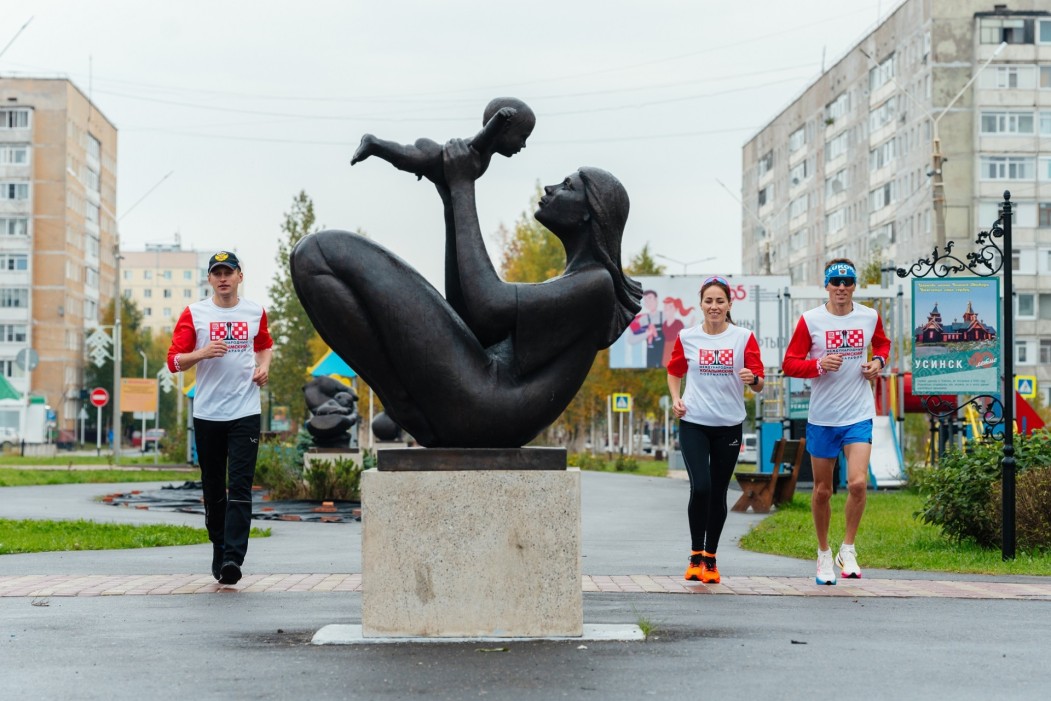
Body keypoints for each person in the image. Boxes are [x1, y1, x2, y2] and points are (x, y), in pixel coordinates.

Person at [290, 138, 642, 448]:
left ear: (588, 214)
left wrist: (463, 186)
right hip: (481, 398)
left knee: (318, 253)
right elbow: (472, 320)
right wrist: (450, 198)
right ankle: (404, 402)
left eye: (567, 186)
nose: (551, 188)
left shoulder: (596, 284)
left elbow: (488, 305)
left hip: (487, 404)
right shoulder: (576, 281)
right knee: (311, 256)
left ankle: (402, 402)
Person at [167, 251, 273, 585]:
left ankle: (233, 558)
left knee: (240, 485)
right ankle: (219, 545)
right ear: (210, 279)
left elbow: (265, 345)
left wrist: (264, 367)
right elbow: (174, 362)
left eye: (229, 272)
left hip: (245, 411)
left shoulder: (255, 311)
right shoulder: (195, 314)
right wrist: (201, 353)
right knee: (214, 487)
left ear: (240, 276)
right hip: (209, 413)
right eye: (217, 273)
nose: (223, 278)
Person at [782, 258, 890, 585]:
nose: (841, 288)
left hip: (858, 413)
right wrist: (818, 364)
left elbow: (882, 343)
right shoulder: (810, 320)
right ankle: (823, 553)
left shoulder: (869, 316)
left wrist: (878, 361)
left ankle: (849, 548)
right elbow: (789, 363)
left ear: (854, 285)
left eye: (847, 282)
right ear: (826, 285)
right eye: (835, 282)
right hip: (823, 417)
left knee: (857, 483)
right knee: (822, 491)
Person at [666, 275, 764, 584]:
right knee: (703, 487)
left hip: (729, 425)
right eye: (708, 300)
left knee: (719, 491)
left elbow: (760, 383)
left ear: (729, 305)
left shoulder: (743, 337)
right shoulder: (688, 337)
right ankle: (695, 555)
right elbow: (674, 371)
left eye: (719, 301)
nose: (714, 306)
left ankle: (710, 559)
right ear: (701, 304)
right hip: (694, 422)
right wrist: (676, 399)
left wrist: (752, 379)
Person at [350, 97, 535, 187]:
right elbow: (485, 135)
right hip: (433, 154)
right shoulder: (482, 147)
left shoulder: (486, 154)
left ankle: (377, 145)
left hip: (437, 168)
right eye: (522, 137)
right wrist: (498, 119)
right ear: (503, 130)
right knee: (409, 159)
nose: (524, 145)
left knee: (410, 161)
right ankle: (374, 143)